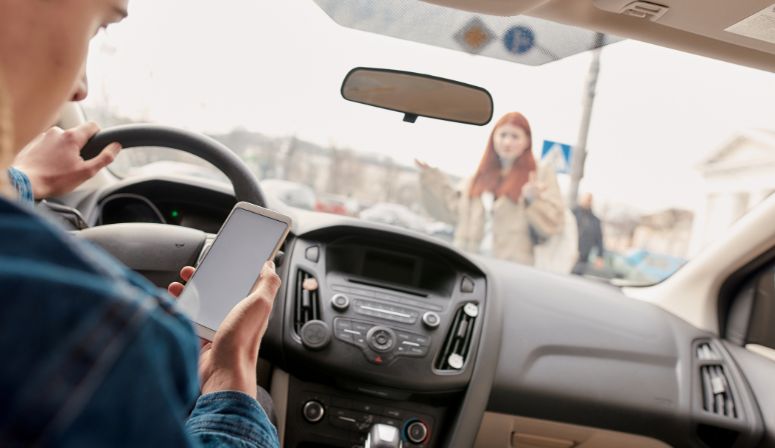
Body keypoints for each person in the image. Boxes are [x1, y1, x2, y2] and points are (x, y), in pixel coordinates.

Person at [0, 1, 280, 447]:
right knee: (259, 401)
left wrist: (22, 179)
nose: (81, 88)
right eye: (97, 28)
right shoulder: (110, 334)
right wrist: (233, 375)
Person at [417, 111, 564, 266]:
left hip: (513, 269)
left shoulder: (539, 174)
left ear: (527, 141)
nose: (507, 142)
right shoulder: (479, 176)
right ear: (493, 138)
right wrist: (431, 177)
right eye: (503, 135)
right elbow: (453, 210)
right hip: (470, 265)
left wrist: (532, 201)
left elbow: (554, 223)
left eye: (515, 136)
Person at [572, 192, 605, 275]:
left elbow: (599, 239)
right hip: (568, 253)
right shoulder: (572, 213)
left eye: (590, 200)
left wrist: (600, 256)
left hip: (583, 258)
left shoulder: (595, 221)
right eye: (586, 199)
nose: (588, 201)